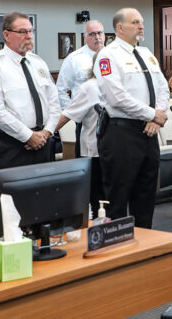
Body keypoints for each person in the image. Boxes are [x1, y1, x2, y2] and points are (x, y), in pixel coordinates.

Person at [94, 7, 169, 229]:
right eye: (135, 22)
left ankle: (143, 244)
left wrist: (157, 118)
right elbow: (116, 97)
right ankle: (116, 249)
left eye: (141, 22)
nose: (141, 26)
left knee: (146, 194)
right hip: (121, 133)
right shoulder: (108, 55)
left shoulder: (146, 54)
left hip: (149, 132)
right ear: (120, 28)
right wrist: (152, 114)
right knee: (118, 195)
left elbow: (163, 88)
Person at [0, 11, 60, 169]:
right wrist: (28, 136)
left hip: (44, 141)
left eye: (30, 31)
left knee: (47, 192)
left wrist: (46, 132)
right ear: (6, 35)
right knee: (14, 194)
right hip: (12, 145)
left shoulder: (38, 63)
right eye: (23, 32)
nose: (29, 36)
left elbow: (54, 103)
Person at [56, 52, 104, 219]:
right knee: (97, 199)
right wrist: (45, 133)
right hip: (93, 150)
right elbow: (67, 114)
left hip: (113, 149)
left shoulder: (116, 85)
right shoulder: (89, 87)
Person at [57, 20, 106, 109]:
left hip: (113, 117)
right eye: (92, 34)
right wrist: (73, 113)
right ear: (85, 37)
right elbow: (60, 91)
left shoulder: (115, 57)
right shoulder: (74, 59)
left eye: (100, 33)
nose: (97, 37)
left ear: (104, 35)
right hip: (85, 117)